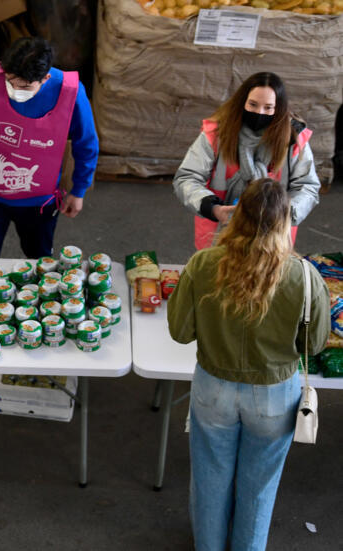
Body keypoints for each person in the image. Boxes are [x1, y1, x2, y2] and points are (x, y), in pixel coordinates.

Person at [167, 178, 329, 550]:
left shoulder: (203, 264)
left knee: (209, 480)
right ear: (285, 223)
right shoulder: (304, 276)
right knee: (259, 489)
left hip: (213, 387)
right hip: (275, 396)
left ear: (237, 217)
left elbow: (180, 331)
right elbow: (315, 344)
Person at [0, 37, 98, 390]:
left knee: (42, 268)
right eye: (10, 80)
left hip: (40, 203)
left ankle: (38, 336)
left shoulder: (71, 94)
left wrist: (78, 190)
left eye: (24, 85)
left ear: (44, 78)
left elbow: (87, 144)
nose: (15, 89)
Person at [173, 72, 321, 250]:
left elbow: (307, 187)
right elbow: (187, 178)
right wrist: (212, 208)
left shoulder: (294, 140)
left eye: (268, 107)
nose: (259, 112)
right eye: (253, 104)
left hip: (273, 238)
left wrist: (284, 215)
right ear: (242, 101)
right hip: (218, 233)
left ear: (279, 108)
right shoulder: (216, 134)